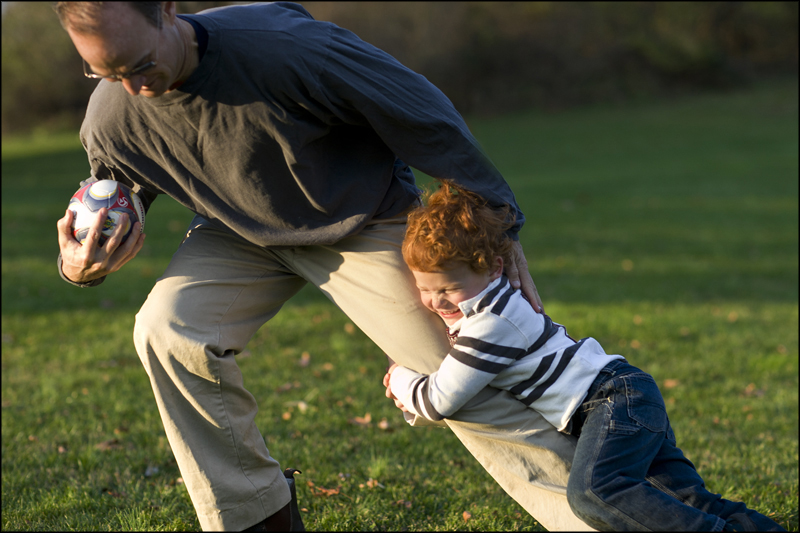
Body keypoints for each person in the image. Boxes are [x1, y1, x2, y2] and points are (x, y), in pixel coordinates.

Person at [53, 2, 592, 531]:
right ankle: (255, 516)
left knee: (456, 365)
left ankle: (601, 511)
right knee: (166, 332)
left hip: (360, 215)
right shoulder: (112, 112)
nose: (131, 86)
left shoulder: (286, 49)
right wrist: (83, 265)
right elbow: (119, 186)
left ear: (167, 10)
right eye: (105, 71)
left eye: (141, 64)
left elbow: (421, 111)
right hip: (239, 230)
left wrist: (496, 214)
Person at [383, 181, 787, 532]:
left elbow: (439, 400)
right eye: (425, 288)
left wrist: (400, 377)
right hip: (624, 394)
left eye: (449, 288)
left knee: (595, 493)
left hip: (610, 402)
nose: (435, 301)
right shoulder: (490, 305)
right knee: (687, 500)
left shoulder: (492, 323)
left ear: (493, 269)